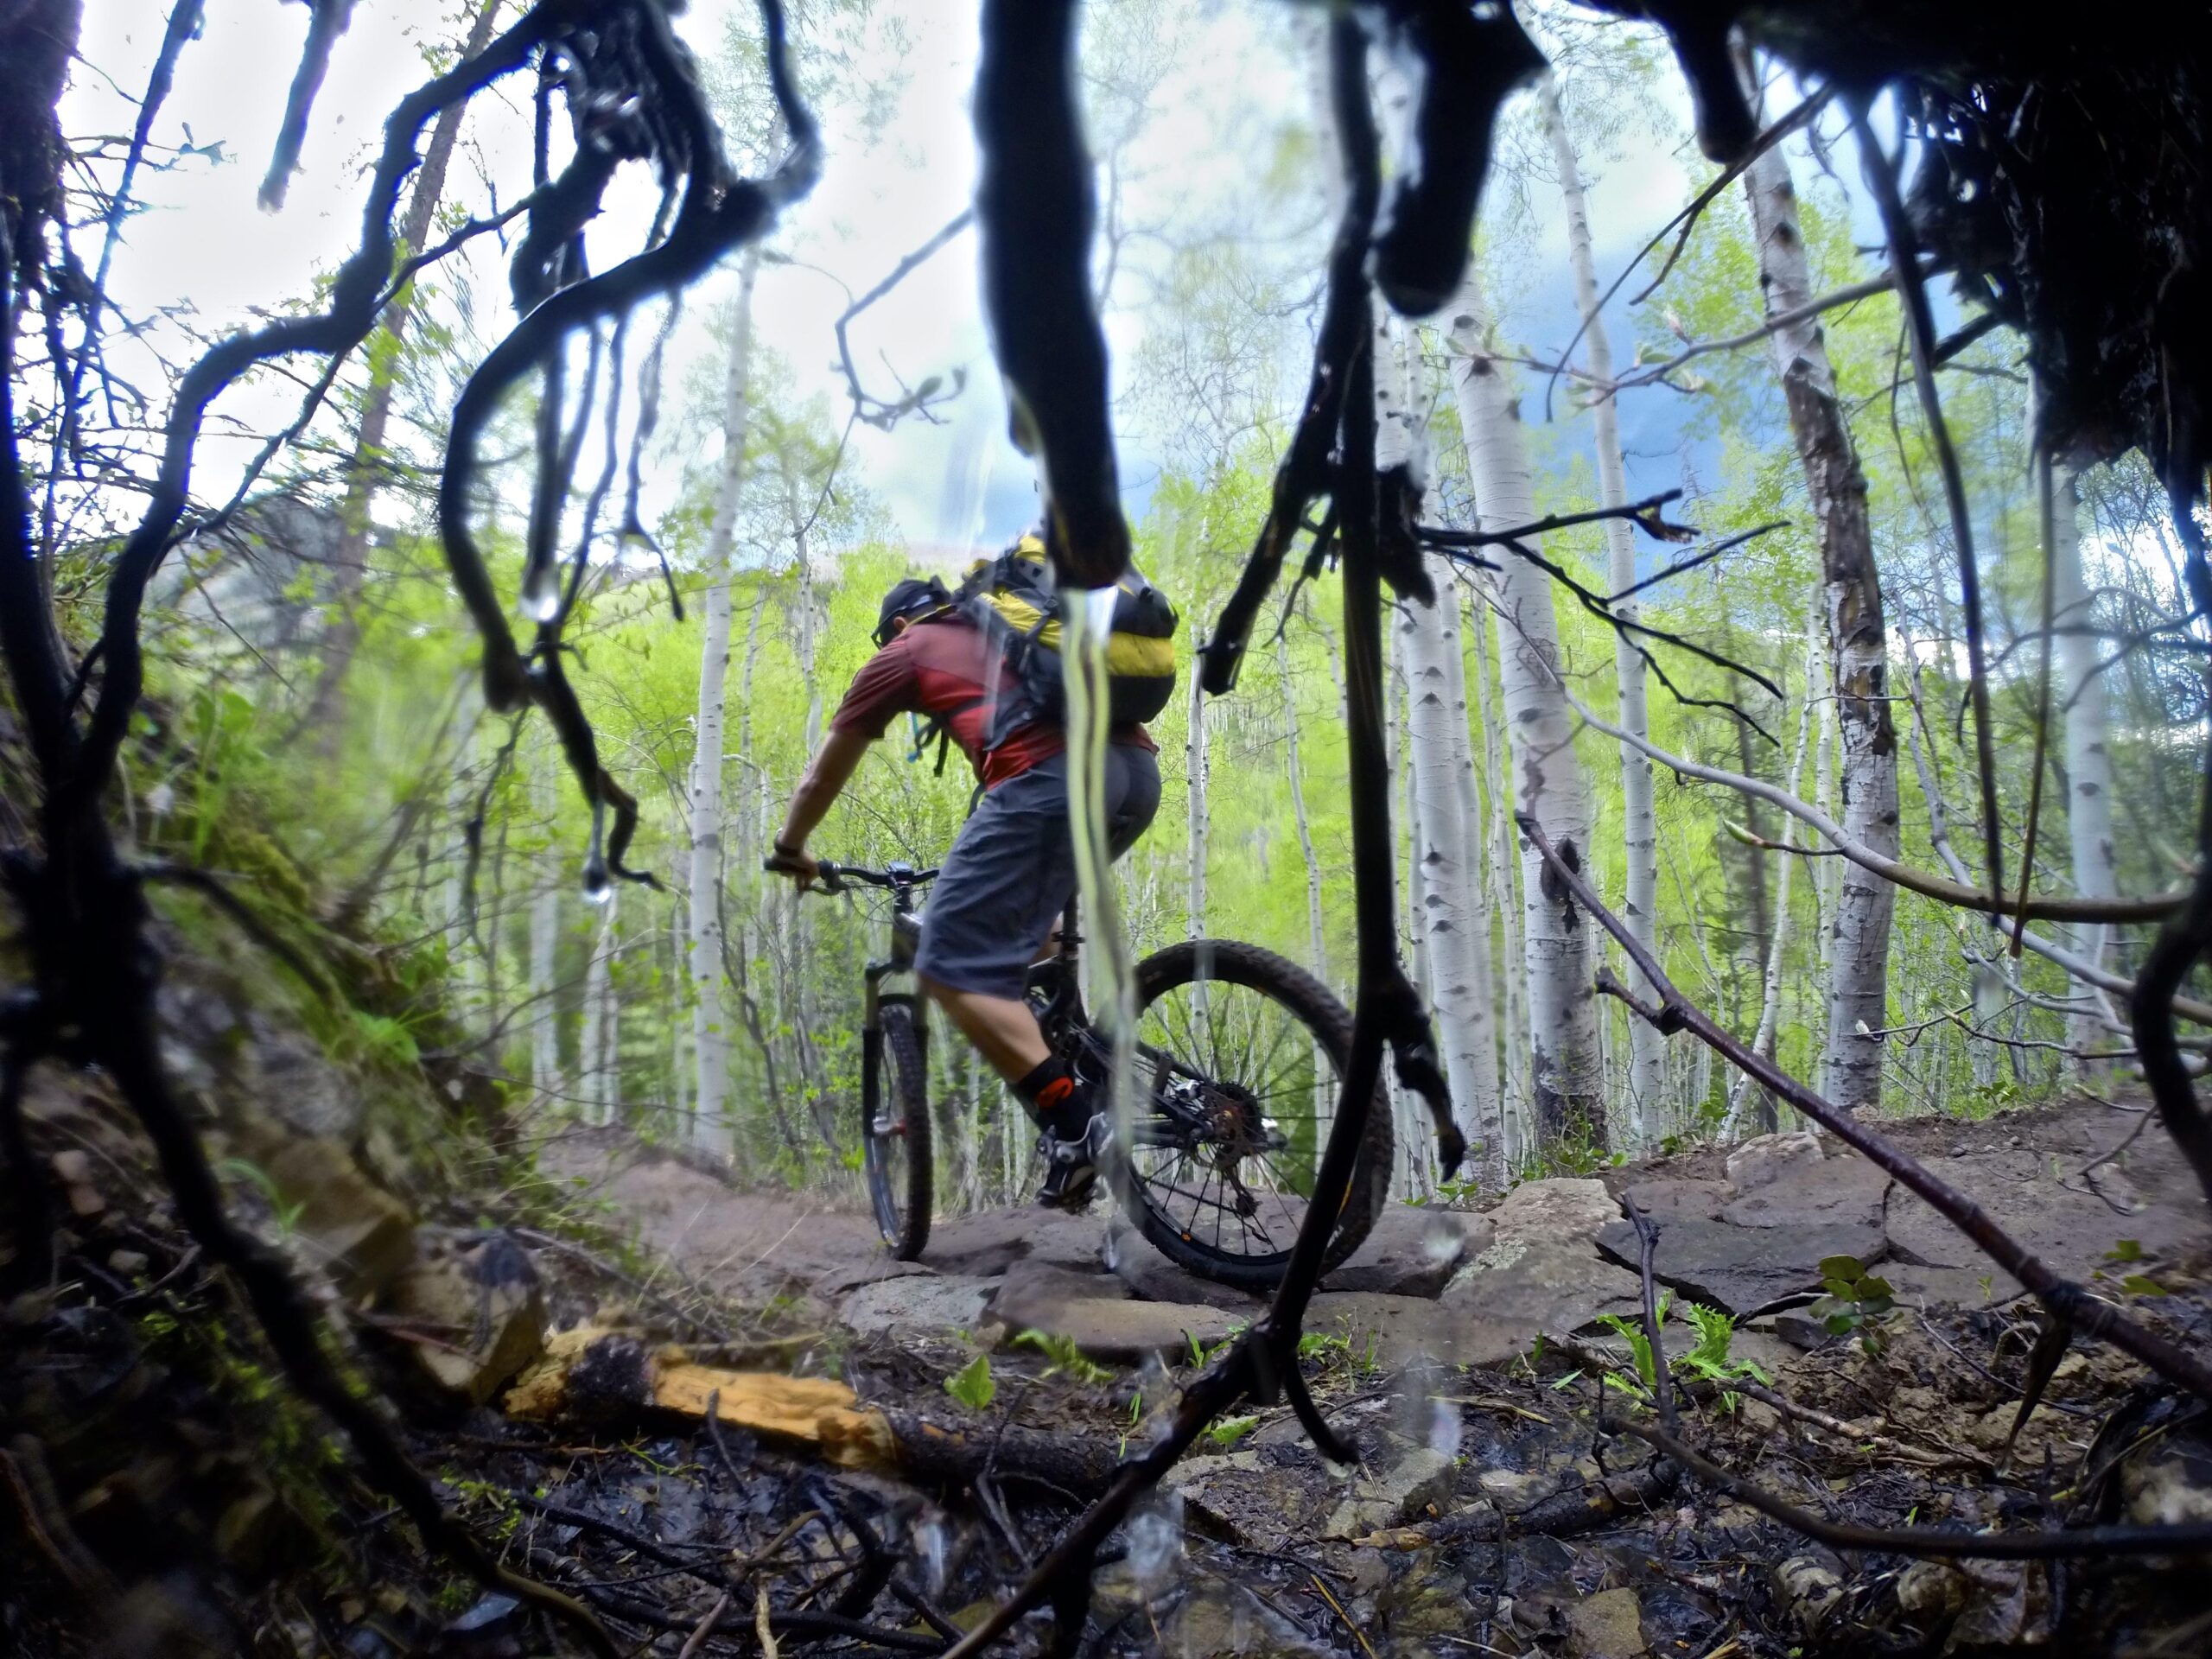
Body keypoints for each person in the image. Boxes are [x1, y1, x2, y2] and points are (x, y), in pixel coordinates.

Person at [765, 559, 1162, 1207]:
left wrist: (791, 849)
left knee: (945, 961)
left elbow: (820, 779)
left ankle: (1076, 1126)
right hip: (1135, 777)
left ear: (896, 623)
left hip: (1053, 782)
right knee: (1020, 932)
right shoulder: (1010, 626)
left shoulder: (907, 648)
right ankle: (1092, 1065)